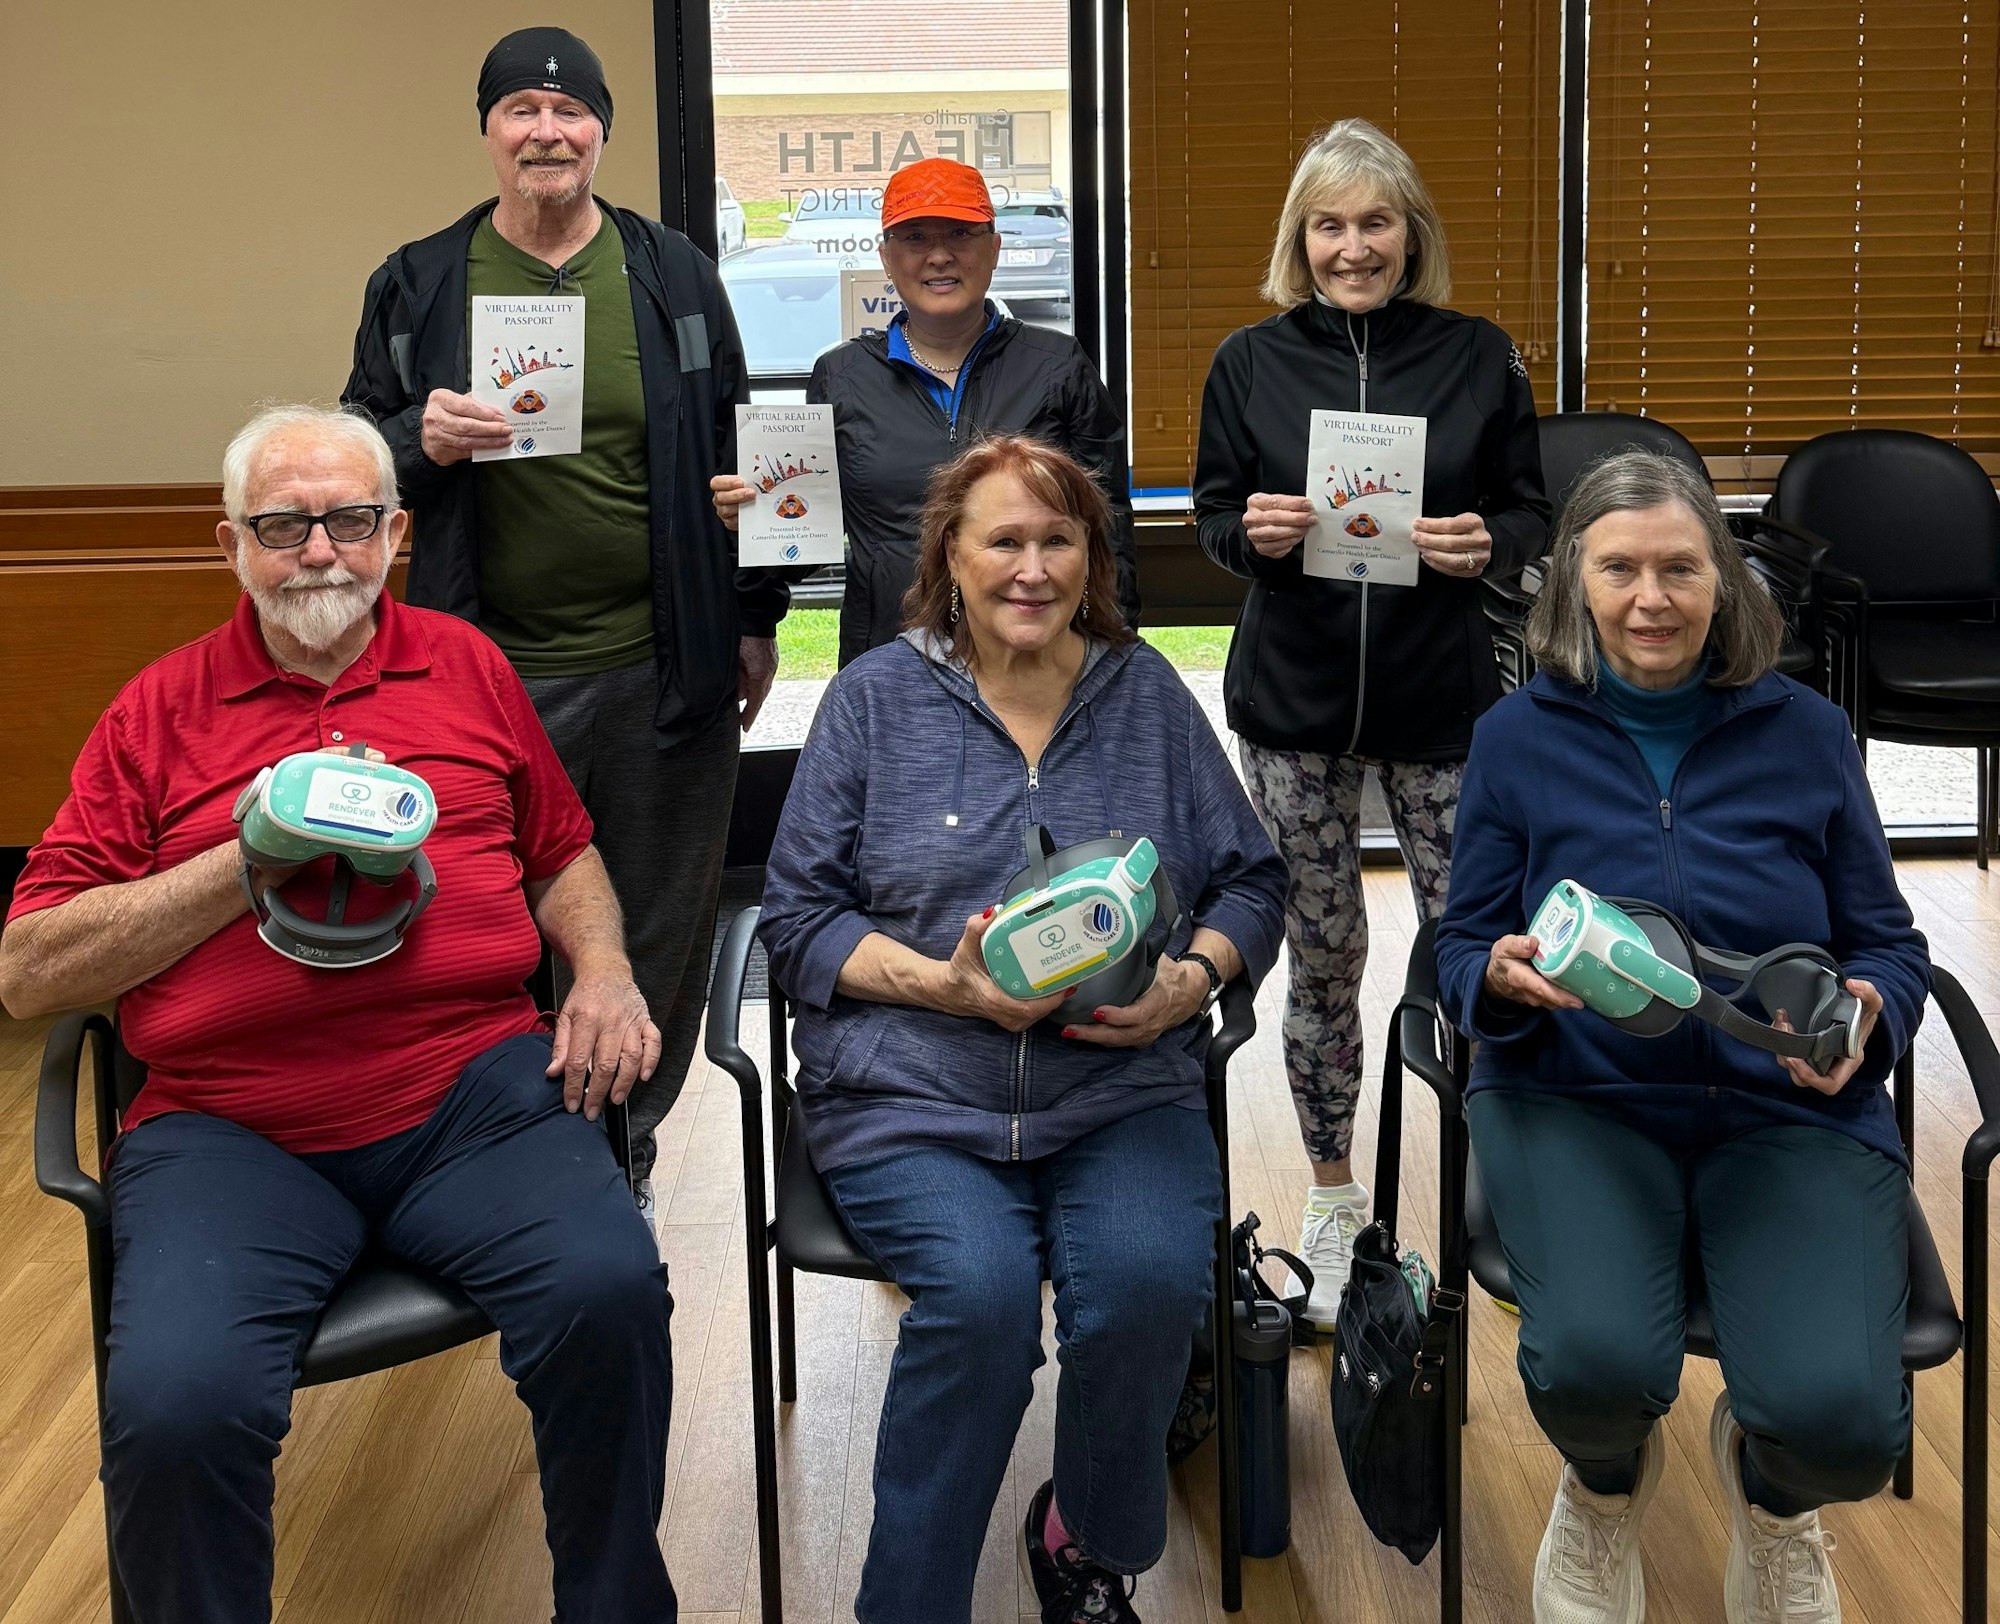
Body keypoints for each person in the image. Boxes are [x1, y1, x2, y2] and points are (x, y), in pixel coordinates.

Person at [0, 405, 677, 1624]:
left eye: (351, 519)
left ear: (396, 532)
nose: (320, 550)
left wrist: (603, 967)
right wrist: (244, 850)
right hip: (229, 1127)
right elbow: (30, 967)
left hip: (470, 1094)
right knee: (176, 1404)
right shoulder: (157, 714)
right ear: (230, 545)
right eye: (283, 524)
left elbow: (560, 847)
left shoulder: (466, 666)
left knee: (610, 1294)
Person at [758, 436, 1286, 1624]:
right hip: (911, 1096)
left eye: (1059, 541)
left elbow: (1251, 881)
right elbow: (795, 921)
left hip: (1114, 1084)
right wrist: (945, 990)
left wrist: (1187, 982)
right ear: (948, 554)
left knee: (1151, 1282)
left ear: (1093, 557)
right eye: (1004, 539)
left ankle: (1085, 1536)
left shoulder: (1142, 693)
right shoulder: (872, 699)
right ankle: (908, 1605)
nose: (1032, 569)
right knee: (981, 1304)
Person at [1434, 451, 1928, 1624]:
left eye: (1677, 567)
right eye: (1617, 568)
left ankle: (1772, 1498)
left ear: (1724, 581)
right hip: (1575, 1100)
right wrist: (1496, 979)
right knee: (1594, 1367)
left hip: (1786, 1112)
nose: (1648, 598)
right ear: (1571, 584)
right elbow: (1459, 945)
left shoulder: (1805, 732)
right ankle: (1603, 1491)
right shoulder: (1514, 736)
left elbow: (1887, 943)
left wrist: (1866, 1013)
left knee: (1846, 1426)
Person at [343, 26, 787, 1214]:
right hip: (482, 683)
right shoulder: (421, 281)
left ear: (601, 129)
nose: (546, 130)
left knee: (651, 930)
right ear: (488, 129)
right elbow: (351, 471)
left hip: (663, 668)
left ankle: (619, 1166)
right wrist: (414, 443)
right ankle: (519, 1163)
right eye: (520, 110)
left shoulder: (671, 272)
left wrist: (753, 617)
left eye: (568, 110)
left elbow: (742, 448)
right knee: (493, 931)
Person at [1193, 117, 1548, 1326]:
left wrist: (1488, 544)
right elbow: (1205, 515)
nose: (1352, 247)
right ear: (1300, 237)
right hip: (1291, 706)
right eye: (1328, 224)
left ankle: (1497, 1174)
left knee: (1473, 942)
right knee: (1325, 955)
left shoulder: (1477, 356)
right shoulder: (1247, 360)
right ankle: (1336, 1189)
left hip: (1441, 703)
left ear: (1411, 234)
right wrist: (1253, 534)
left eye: (1374, 222)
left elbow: (1531, 516)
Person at [710, 157, 1140, 665]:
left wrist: (1117, 649)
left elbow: (1108, 529)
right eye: (914, 238)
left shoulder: (1058, 366)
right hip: (890, 661)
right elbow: (806, 544)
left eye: (960, 234)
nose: (939, 256)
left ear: (994, 248)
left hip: (1035, 658)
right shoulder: (842, 376)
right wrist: (755, 522)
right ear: (886, 257)